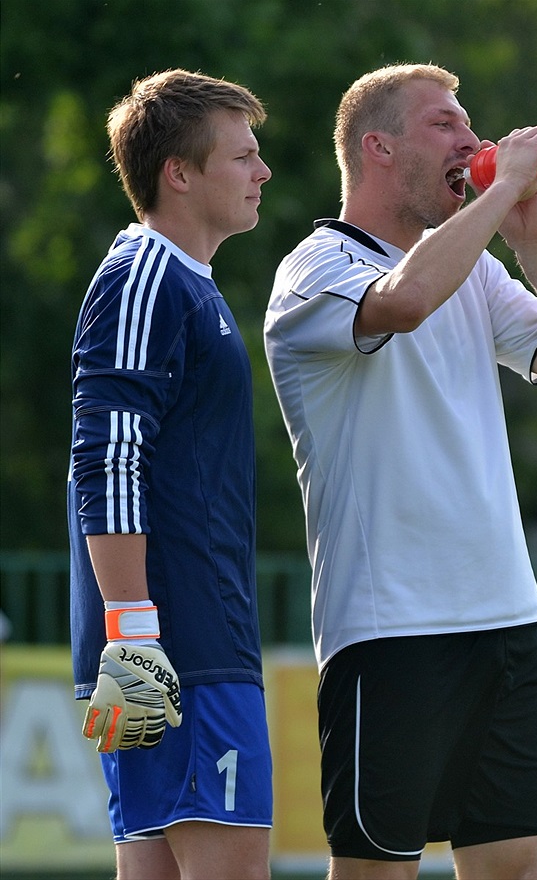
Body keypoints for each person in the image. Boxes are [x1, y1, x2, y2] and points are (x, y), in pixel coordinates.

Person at [264, 63, 537, 880]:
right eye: (446, 125)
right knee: (377, 871)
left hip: (503, 618)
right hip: (392, 629)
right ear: (378, 147)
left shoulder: (477, 267)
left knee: (515, 866)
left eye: (471, 125)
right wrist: (500, 199)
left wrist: (533, 237)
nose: (474, 140)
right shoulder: (317, 269)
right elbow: (403, 300)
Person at [68, 69, 273, 880]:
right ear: (178, 173)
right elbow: (108, 453)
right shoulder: (146, 277)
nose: (262, 172)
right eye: (244, 156)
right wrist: (134, 627)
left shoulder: (188, 285)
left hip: (172, 636)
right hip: (178, 644)